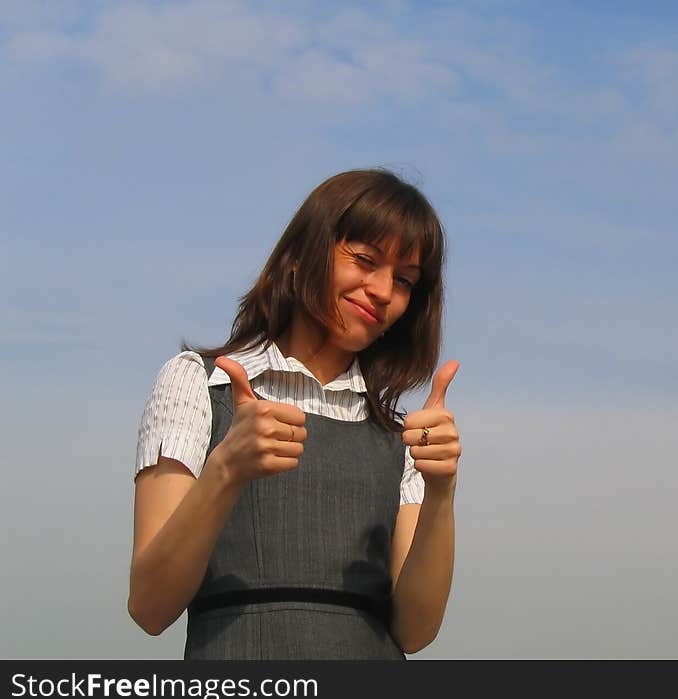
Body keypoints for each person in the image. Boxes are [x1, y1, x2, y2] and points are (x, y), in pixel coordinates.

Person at [128, 169, 461, 659]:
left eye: (405, 280)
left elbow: (416, 631)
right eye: (366, 260)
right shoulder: (197, 382)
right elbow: (149, 607)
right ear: (302, 254)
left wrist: (442, 490)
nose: (384, 291)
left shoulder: (400, 438)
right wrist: (226, 469)